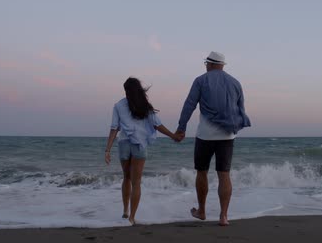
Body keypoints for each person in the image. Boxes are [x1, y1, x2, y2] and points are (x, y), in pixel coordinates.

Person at [175, 51, 251, 226]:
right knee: (224, 174)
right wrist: (234, 128)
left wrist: (181, 128)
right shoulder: (235, 83)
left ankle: (202, 211)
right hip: (227, 135)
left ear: (209, 64)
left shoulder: (200, 80)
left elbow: (189, 105)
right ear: (222, 65)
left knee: (202, 172)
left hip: (205, 136)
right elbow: (241, 110)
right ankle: (224, 216)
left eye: (206, 64)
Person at [104, 77, 180, 226]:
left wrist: (107, 150)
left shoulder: (119, 105)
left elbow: (114, 128)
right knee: (136, 182)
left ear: (127, 90)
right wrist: (173, 136)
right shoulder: (144, 106)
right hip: (139, 145)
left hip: (124, 143)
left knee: (126, 178)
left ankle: (126, 211)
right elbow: (157, 125)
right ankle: (131, 217)